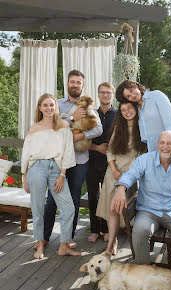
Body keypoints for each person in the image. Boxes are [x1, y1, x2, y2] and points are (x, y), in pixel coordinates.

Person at [109, 130, 171, 264]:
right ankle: (143, 271)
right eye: (162, 143)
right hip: (148, 210)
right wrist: (121, 189)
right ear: (157, 145)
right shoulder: (144, 160)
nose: (165, 146)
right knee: (140, 230)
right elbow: (130, 175)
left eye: (170, 143)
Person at [42, 70, 103, 249]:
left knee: (74, 199)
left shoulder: (88, 107)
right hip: (58, 160)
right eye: (72, 82)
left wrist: (80, 135)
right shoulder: (57, 104)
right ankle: (45, 236)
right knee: (52, 198)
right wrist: (71, 117)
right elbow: (49, 125)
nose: (75, 85)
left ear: (82, 85)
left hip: (79, 160)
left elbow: (98, 129)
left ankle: (68, 237)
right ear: (67, 83)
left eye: (78, 82)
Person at [21, 93, 81, 259]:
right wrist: (24, 178)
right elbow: (26, 155)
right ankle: (40, 244)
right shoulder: (34, 129)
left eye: (52, 105)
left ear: (56, 107)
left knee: (68, 207)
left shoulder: (63, 125)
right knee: (38, 207)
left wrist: (62, 175)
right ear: (40, 108)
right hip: (36, 168)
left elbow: (68, 151)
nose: (49, 108)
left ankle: (63, 245)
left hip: (56, 169)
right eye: (45, 105)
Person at [96, 102, 147, 254]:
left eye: (129, 108)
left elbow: (142, 156)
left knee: (121, 210)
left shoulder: (143, 129)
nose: (127, 112)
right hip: (113, 173)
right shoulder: (118, 128)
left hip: (131, 175)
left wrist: (129, 174)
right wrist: (113, 168)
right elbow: (110, 151)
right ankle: (112, 242)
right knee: (111, 210)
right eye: (123, 110)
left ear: (136, 109)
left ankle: (126, 244)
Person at [116, 80, 171, 157]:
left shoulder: (156, 96)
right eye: (128, 96)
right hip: (154, 153)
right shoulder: (137, 108)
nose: (132, 95)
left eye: (131, 90)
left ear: (136, 85)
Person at [86, 82, 117, 243]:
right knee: (93, 195)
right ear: (98, 95)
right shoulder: (91, 115)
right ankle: (95, 229)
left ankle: (107, 229)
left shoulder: (118, 115)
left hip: (111, 163)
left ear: (112, 95)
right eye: (102, 92)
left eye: (108, 92)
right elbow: (82, 139)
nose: (105, 95)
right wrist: (97, 148)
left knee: (108, 196)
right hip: (92, 159)